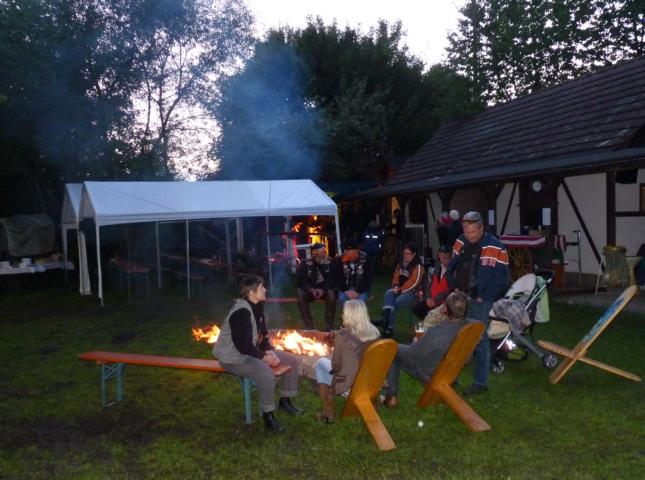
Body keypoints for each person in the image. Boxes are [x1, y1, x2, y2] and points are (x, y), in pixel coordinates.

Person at [213, 275, 302, 433]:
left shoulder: (258, 307)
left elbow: (262, 336)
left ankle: (285, 400)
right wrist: (264, 358)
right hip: (233, 358)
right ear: (252, 292)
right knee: (265, 373)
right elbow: (243, 346)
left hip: (248, 351)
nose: (265, 289)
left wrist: (270, 352)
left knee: (290, 359)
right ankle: (268, 415)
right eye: (262, 287)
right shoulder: (241, 313)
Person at [446, 211, 510, 396]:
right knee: (457, 337)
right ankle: (452, 376)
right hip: (460, 296)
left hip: (479, 300)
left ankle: (480, 382)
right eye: (466, 232)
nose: (469, 236)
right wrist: (452, 284)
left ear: (482, 228)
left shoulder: (496, 246)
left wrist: (485, 295)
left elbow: (502, 278)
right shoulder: (460, 241)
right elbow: (452, 265)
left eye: (473, 232)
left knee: (479, 339)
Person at [382, 291, 472, 407]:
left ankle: (390, 396)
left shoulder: (437, 332)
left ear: (445, 310)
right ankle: (390, 393)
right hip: (449, 373)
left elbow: (415, 354)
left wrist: (416, 342)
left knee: (393, 349)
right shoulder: (471, 328)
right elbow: (468, 360)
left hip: (429, 372)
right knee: (400, 349)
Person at [313, 299, 381, 423]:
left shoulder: (342, 335)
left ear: (349, 316)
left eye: (344, 313)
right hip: (370, 382)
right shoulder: (375, 333)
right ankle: (374, 402)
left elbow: (336, 366)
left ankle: (328, 411)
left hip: (350, 385)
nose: (342, 315)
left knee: (321, 363)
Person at [374, 243, 425, 338]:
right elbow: (395, 276)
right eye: (404, 253)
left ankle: (387, 327)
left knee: (393, 304)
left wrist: (400, 290)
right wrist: (396, 285)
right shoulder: (400, 264)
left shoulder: (418, 267)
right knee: (389, 293)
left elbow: (414, 283)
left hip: (412, 293)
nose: (405, 256)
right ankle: (385, 320)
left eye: (408, 254)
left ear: (414, 254)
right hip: (399, 290)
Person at [297, 242, 338, 331]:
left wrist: (323, 289)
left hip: (326, 290)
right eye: (320, 253)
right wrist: (311, 289)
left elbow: (332, 279)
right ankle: (309, 325)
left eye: (324, 252)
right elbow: (302, 280)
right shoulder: (305, 263)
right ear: (314, 254)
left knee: (331, 294)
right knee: (301, 295)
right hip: (311, 291)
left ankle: (329, 324)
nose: (323, 255)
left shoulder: (331, 262)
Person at [411, 245, 452, 320]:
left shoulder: (452, 270)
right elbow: (430, 284)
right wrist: (428, 297)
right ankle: (429, 323)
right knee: (415, 308)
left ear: (450, 258)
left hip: (442, 302)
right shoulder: (438, 266)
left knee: (430, 315)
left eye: (445, 258)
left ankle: (431, 323)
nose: (442, 260)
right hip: (432, 299)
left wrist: (435, 301)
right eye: (440, 257)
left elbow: (449, 290)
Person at [337, 239, 373, 307]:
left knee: (361, 301)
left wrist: (358, 292)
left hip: (361, 289)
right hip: (346, 289)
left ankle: (360, 313)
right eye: (345, 251)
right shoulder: (341, 259)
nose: (346, 253)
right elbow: (339, 277)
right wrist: (346, 291)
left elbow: (368, 278)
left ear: (356, 251)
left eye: (349, 251)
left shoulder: (365, 259)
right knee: (342, 298)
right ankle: (347, 313)